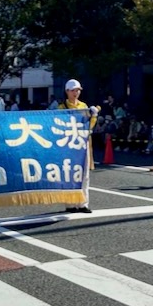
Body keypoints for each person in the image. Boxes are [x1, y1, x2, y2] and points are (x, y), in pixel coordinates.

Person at [58, 79, 98, 213]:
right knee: (69, 174)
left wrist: (94, 116)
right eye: (73, 90)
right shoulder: (62, 108)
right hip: (68, 144)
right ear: (67, 91)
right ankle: (70, 204)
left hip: (82, 143)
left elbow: (89, 125)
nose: (76, 93)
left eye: (78, 90)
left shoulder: (83, 106)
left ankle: (82, 203)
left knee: (84, 174)